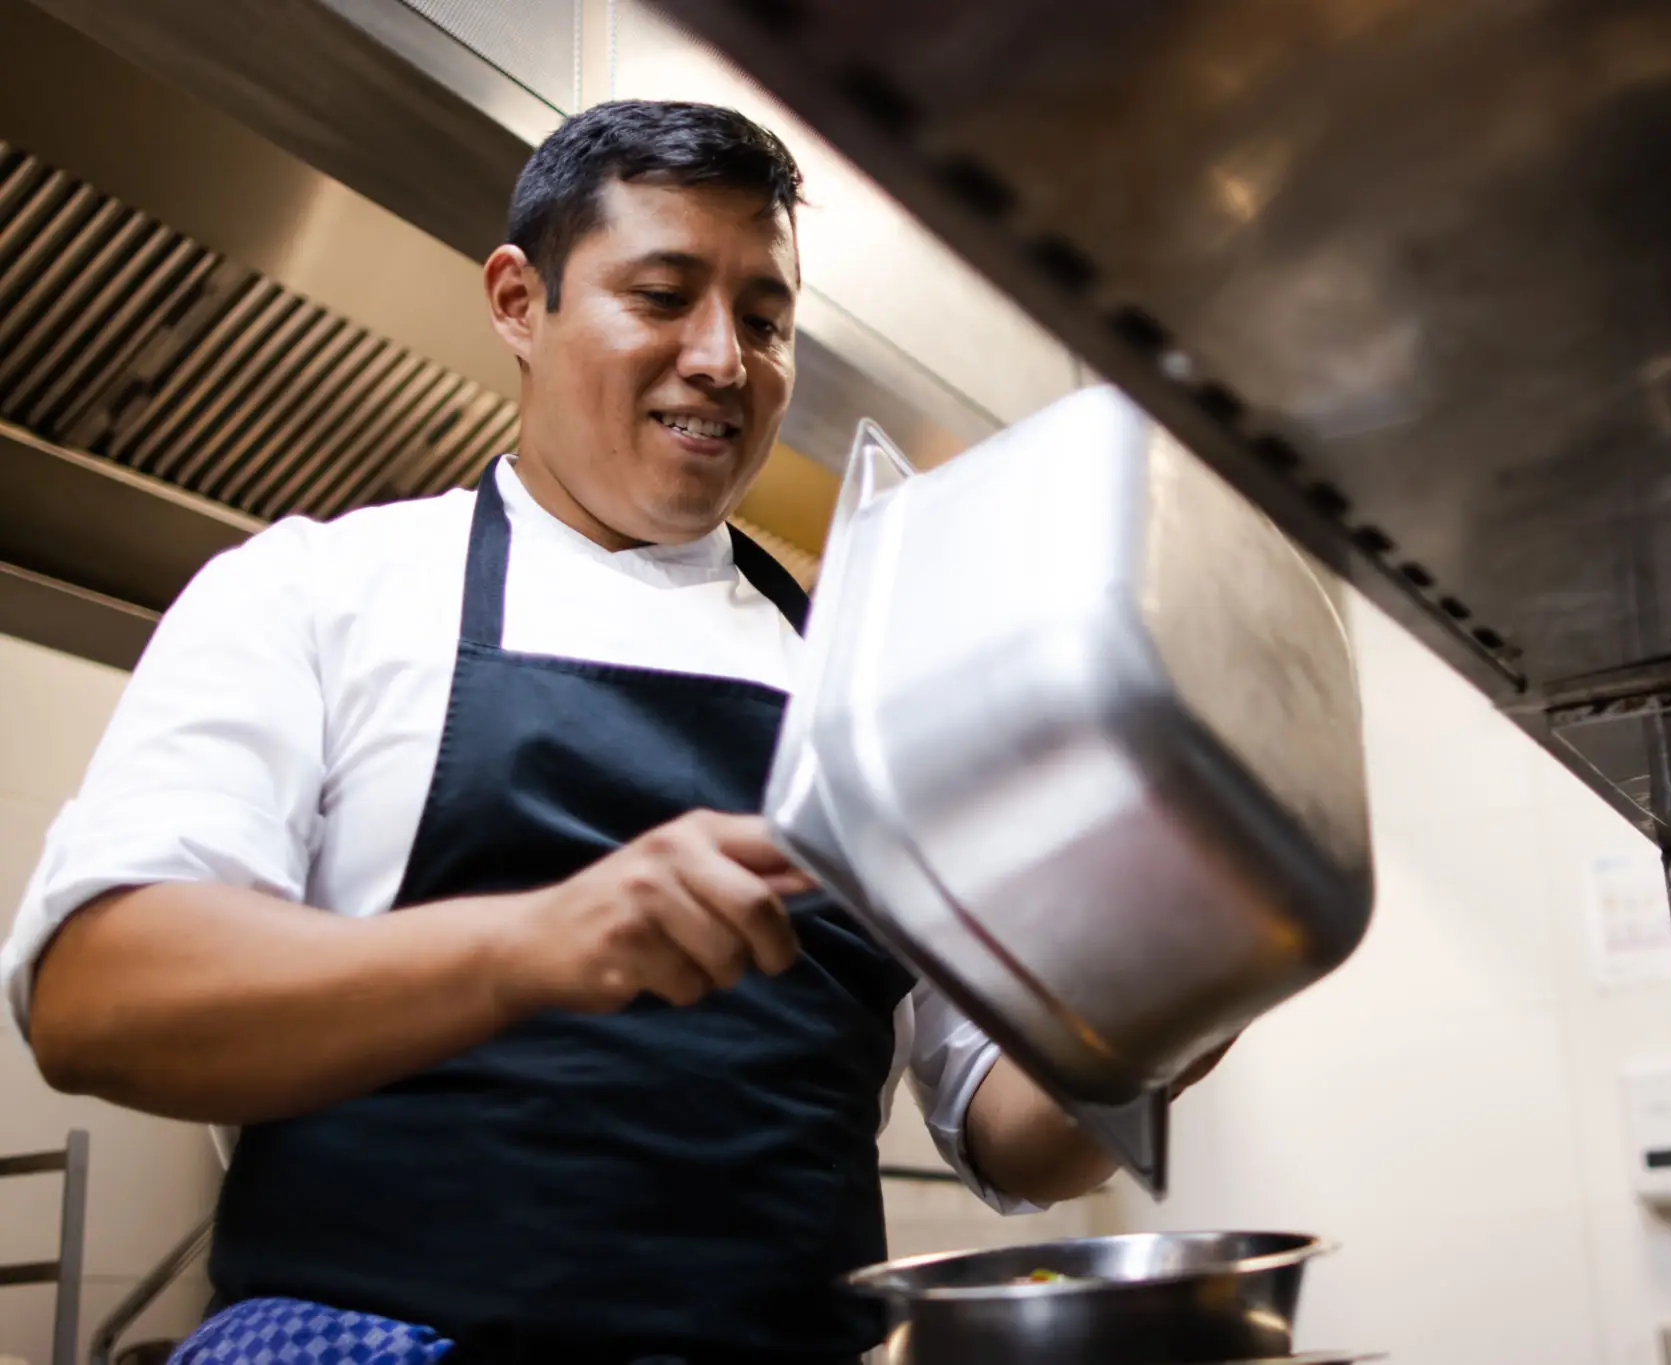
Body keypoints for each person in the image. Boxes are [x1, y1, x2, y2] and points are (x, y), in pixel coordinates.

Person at [1, 101, 1222, 1365]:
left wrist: (1189, 987)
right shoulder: (319, 590)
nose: (722, 361)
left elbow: (1008, 1138)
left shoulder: (875, 673)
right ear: (519, 301)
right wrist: (532, 941)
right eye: (661, 296)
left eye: (763, 319)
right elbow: (100, 996)